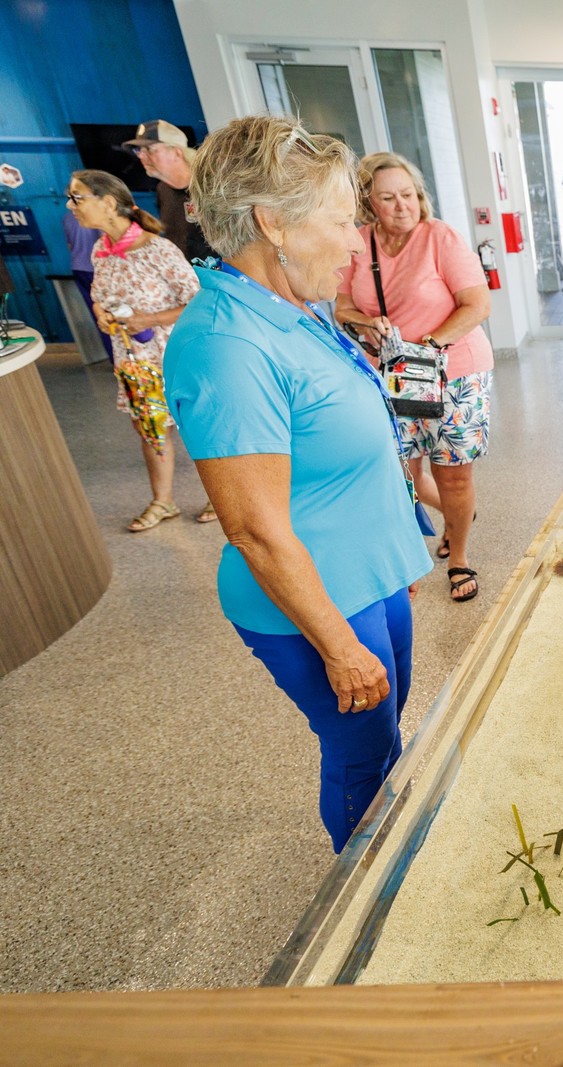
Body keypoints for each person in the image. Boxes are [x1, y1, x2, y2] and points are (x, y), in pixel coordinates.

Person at [163, 116, 433, 852]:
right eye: (345, 220)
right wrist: (339, 645)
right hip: (314, 604)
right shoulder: (226, 343)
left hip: (370, 574)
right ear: (271, 223)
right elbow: (254, 528)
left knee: (389, 728)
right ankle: (366, 901)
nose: (357, 240)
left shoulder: (295, 308)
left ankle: (395, 845)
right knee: (361, 752)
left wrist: (397, 553)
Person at [336, 151, 493, 603]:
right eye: (388, 198)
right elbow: (343, 306)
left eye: (408, 195)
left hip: (453, 372)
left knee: (454, 476)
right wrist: (366, 324)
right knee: (401, 475)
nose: (402, 206)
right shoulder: (358, 243)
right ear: (369, 202)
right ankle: (452, 519)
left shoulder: (439, 237)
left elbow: (477, 305)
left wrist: (429, 345)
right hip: (389, 377)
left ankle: (459, 553)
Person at [67, 169, 206, 530]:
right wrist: (101, 315)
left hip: (173, 358)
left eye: (77, 197)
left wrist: (148, 319)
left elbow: (197, 303)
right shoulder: (101, 250)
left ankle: (222, 497)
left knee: (198, 429)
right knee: (149, 429)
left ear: (108, 203)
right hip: (133, 363)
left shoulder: (159, 249)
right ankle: (163, 502)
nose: (71, 206)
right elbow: (98, 297)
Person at [123, 119, 219, 265]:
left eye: (150, 149)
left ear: (177, 152)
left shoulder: (211, 184)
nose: (141, 156)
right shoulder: (163, 190)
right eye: (139, 151)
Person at [61, 208, 113, 361]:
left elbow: (69, 244)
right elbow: (106, 244)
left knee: (98, 315)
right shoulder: (96, 215)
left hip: (77, 267)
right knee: (110, 315)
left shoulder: (67, 217)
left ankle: (114, 358)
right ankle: (123, 359)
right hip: (95, 268)